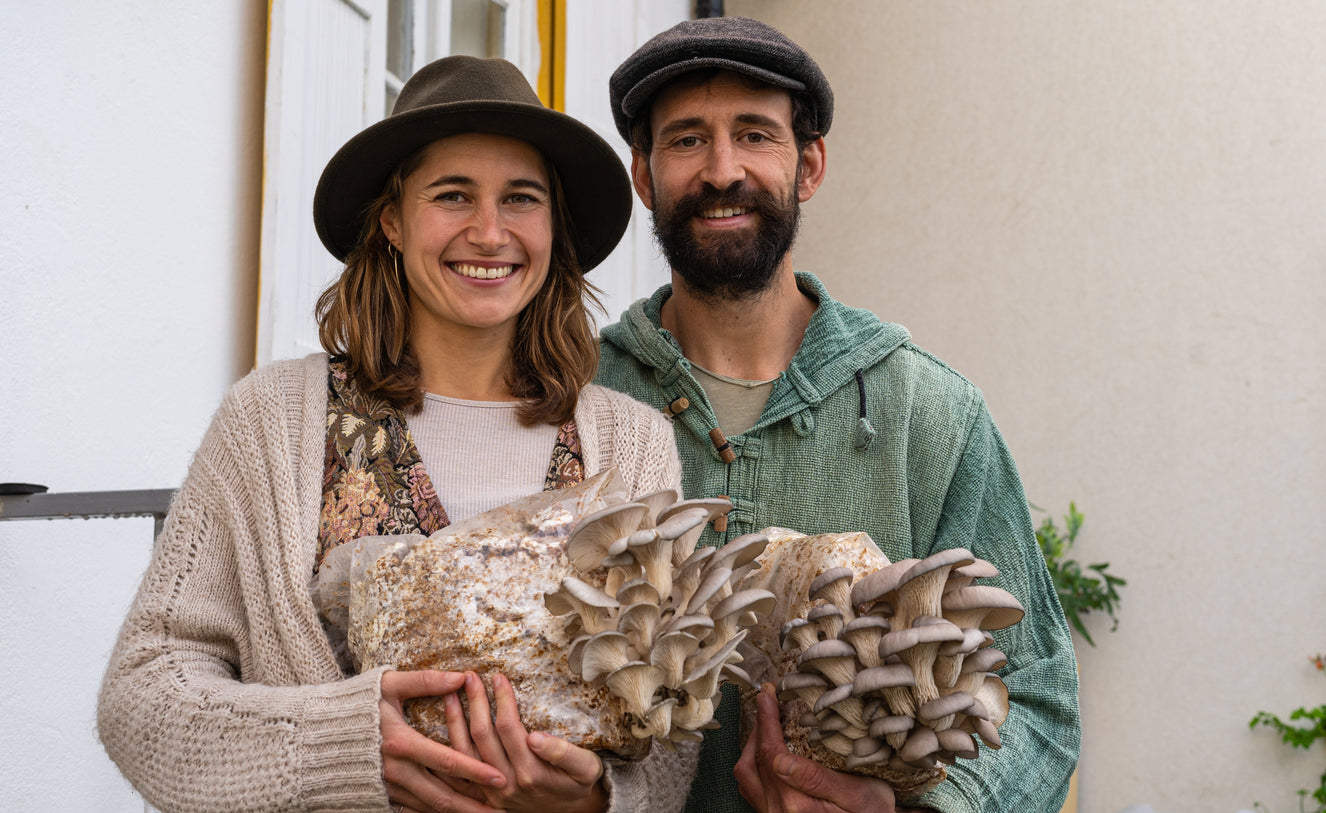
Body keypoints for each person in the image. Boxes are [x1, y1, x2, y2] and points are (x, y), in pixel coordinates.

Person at [98, 56, 694, 813]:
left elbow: (673, 726)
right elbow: (145, 690)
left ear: (553, 225)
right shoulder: (273, 422)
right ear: (392, 219)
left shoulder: (631, 444)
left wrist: (598, 798)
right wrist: (340, 746)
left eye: (521, 198)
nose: (489, 231)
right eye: (452, 195)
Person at [594, 17, 1081, 813]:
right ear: (644, 175)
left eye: (754, 134)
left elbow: (1037, 700)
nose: (722, 170)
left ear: (808, 164)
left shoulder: (927, 412)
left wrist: (918, 808)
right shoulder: (572, 396)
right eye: (685, 141)